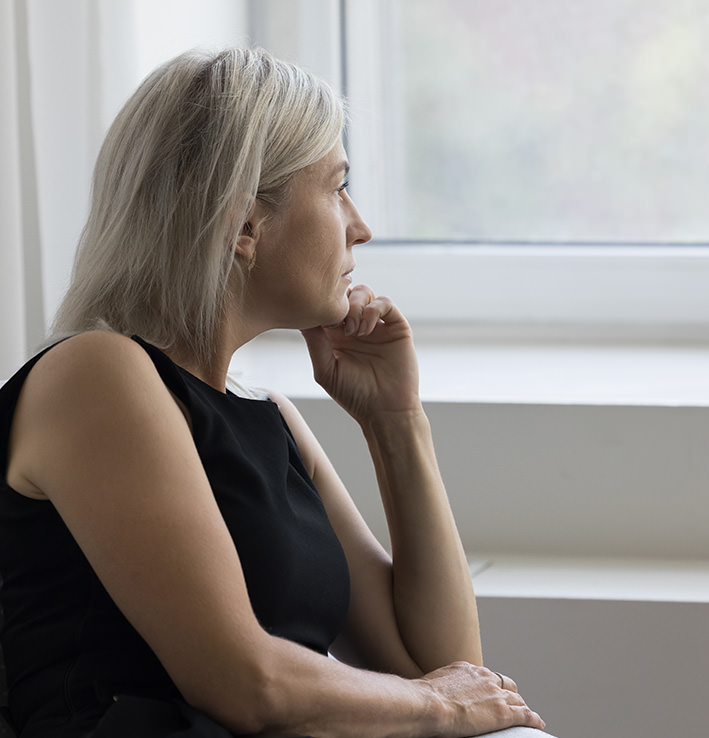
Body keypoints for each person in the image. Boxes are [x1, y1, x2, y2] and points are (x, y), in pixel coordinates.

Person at [0, 47, 550, 738]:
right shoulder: (96, 374)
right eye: (337, 186)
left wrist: (395, 422)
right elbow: (245, 685)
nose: (360, 226)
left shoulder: (271, 422)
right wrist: (440, 705)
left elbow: (444, 665)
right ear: (244, 227)